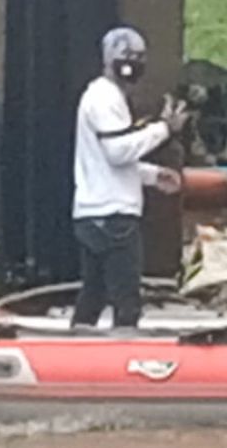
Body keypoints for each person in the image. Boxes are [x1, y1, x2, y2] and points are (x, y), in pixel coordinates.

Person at [71, 26, 188, 328]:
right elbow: (117, 152)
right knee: (126, 299)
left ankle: (76, 345)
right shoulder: (105, 98)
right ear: (111, 59)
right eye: (129, 57)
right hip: (114, 216)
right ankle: (124, 355)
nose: (135, 64)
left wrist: (152, 176)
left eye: (140, 57)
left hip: (93, 211)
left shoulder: (101, 96)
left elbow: (108, 160)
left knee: (93, 294)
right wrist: (164, 129)